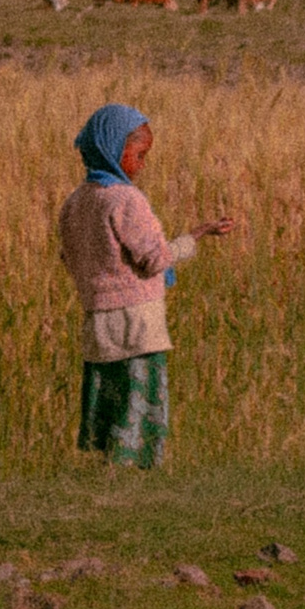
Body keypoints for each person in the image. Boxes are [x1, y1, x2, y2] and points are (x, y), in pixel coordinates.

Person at [56, 103, 235, 468]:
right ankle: (134, 469)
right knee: (138, 395)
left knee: (108, 393)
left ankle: (108, 467)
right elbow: (153, 260)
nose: (143, 164)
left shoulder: (75, 202)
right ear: (113, 148)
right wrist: (195, 238)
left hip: (97, 323)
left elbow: (69, 257)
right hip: (137, 322)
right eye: (139, 154)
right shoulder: (126, 200)